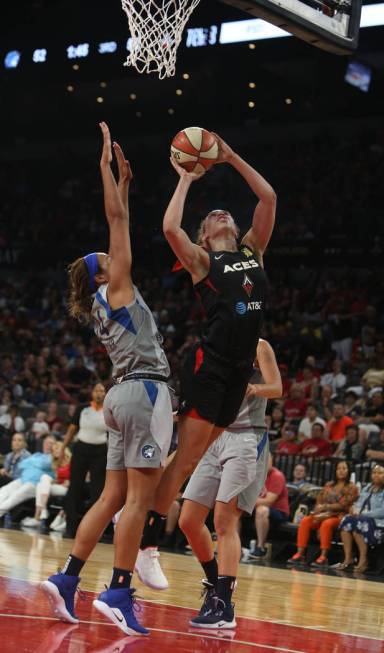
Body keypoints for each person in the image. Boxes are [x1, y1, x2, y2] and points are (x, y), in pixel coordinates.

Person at [41, 123, 173, 637]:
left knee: (110, 497)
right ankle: (118, 590)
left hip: (119, 397)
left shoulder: (100, 303)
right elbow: (116, 220)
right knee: (137, 500)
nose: (114, 254)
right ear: (103, 273)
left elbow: (118, 221)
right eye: (107, 256)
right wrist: (109, 175)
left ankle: (69, 577)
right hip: (143, 390)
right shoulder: (117, 287)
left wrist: (123, 185)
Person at [140, 134, 276, 556]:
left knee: (194, 458)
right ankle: (146, 546)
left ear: (236, 229)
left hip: (239, 372)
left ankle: (149, 541)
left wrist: (231, 156)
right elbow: (168, 228)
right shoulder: (202, 261)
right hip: (211, 364)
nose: (221, 214)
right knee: (186, 458)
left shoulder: (253, 250)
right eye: (213, 216)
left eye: (226, 214)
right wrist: (185, 178)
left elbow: (268, 197)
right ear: (204, 237)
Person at [179, 339, 281, 628]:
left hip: (247, 437)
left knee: (224, 520)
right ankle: (215, 584)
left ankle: (224, 606)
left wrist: (254, 387)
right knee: (188, 519)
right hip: (215, 435)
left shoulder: (259, 346)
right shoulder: (213, 347)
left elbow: (277, 388)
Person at [287, 460, 358, 567]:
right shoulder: (329, 485)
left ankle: (323, 556)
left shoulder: (352, 487)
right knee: (306, 521)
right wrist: (318, 509)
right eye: (339, 468)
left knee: (327, 524)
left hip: (340, 516)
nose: (341, 471)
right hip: (323, 514)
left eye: (344, 468)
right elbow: (320, 499)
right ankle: (300, 553)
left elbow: (344, 505)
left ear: (349, 471)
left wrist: (325, 508)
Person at [60, 383, 108, 537]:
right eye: (97, 390)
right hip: (80, 449)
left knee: (97, 491)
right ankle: (70, 527)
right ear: (92, 393)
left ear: (106, 394)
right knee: (75, 488)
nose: (99, 393)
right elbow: (71, 430)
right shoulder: (82, 408)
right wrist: (62, 448)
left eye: (102, 391)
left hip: (100, 452)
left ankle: (92, 530)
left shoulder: (109, 410)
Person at [337, 464, 384, 572]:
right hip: (363, 519)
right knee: (347, 520)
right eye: (374, 473)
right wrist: (354, 508)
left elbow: (382, 511)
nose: (376, 475)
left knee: (360, 523)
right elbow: (359, 503)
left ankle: (363, 559)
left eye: (380, 473)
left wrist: (363, 514)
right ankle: (348, 558)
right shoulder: (367, 487)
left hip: (379, 523)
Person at [0, 435, 56, 517]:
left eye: (50, 443)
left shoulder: (53, 457)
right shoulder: (37, 454)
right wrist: (36, 464)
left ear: (55, 445)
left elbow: (44, 464)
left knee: (15, 496)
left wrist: (32, 463)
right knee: (4, 490)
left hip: (35, 484)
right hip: (22, 480)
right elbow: (22, 464)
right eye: (46, 443)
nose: (48, 445)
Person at [21, 442, 71, 527]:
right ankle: (43, 509)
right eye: (53, 450)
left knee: (42, 484)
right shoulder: (56, 464)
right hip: (59, 486)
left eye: (57, 449)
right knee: (42, 481)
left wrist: (69, 481)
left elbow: (79, 477)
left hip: (68, 489)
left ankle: (37, 517)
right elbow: (58, 480)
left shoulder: (72, 461)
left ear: (63, 449)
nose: (54, 452)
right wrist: (53, 481)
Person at [250, 454, 290, 558]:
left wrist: (247, 500)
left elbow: (268, 501)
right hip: (255, 507)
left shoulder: (277, 476)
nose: (265, 464)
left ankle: (260, 547)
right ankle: (235, 545)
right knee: (234, 510)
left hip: (278, 511)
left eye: (268, 461)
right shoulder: (254, 475)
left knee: (262, 510)